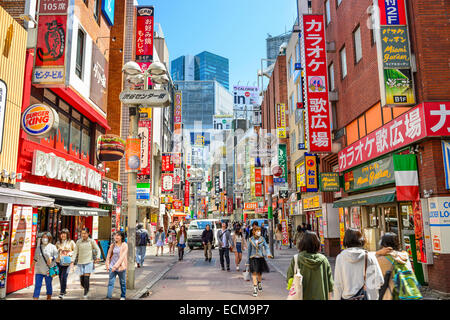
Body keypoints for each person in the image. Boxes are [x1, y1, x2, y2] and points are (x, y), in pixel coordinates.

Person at [333, 228, 384, 300]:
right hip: (367, 297)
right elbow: (379, 281)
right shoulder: (369, 257)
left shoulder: (340, 258)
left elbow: (338, 285)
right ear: (361, 239)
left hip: (347, 297)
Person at [286, 231, 334, 300]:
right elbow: (330, 285)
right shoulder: (323, 260)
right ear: (317, 243)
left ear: (302, 243)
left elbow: (289, 279)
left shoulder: (296, 259)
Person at [376, 232, 421, 300]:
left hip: (392, 295)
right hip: (410, 293)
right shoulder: (404, 255)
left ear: (382, 244)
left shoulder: (381, 259)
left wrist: (377, 253)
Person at [70, 228, 101, 299]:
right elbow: (75, 252)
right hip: (80, 262)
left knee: (86, 278)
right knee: (82, 281)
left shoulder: (91, 241)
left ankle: (85, 293)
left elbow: (98, 249)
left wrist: (98, 257)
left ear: (88, 233)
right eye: (82, 233)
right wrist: (72, 261)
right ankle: (87, 289)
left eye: (85, 233)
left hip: (89, 262)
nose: (83, 235)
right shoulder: (78, 242)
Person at [32, 232, 58, 300]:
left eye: (46, 237)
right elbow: (35, 258)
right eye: (43, 237)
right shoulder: (38, 247)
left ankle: (49, 297)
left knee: (48, 285)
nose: (44, 239)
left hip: (48, 270)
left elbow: (57, 256)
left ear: (49, 238)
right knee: (37, 286)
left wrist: (52, 258)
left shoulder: (53, 247)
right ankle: (35, 298)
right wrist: (31, 268)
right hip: (39, 270)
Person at [247, 226, 273, 297]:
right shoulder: (250, 240)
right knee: (254, 273)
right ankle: (255, 289)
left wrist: (268, 254)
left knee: (259, 273)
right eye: (257, 231)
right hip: (253, 258)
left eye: (259, 231)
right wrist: (247, 262)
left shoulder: (262, 239)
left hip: (260, 258)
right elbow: (248, 251)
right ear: (254, 232)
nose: (259, 232)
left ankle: (259, 283)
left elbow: (267, 247)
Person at [105, 231, 128, 300]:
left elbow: (122, 257)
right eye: (115, 235)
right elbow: (108, 255)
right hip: (112, 266)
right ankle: (108, 296)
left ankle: (123, 296)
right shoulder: (113, 245)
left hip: (121, 267)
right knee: (111, 282)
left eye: (118, 235)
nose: (116, 237)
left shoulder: (125, 245)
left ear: (121, 237)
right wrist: (107, 264)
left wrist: (116, 266)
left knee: (123, 282)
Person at [55, 229, 76, 299]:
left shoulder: (71, 242)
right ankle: (63, 289)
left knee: (64, 276)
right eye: (62, 234)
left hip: (67, 262)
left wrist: (69, 253)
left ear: (67, 234)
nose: (63, 235)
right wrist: (59, 250)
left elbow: (75, 251)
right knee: (60, 276)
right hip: (59, 261)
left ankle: (62, 292)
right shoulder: (58, 243)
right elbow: (54, 252)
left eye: (64, 234)